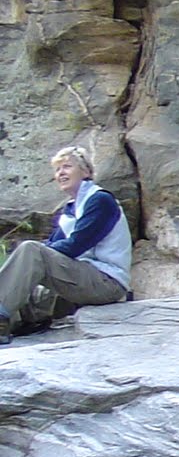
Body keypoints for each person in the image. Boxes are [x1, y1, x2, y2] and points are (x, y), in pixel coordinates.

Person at [0, 145, 132, 345]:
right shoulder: (71, 208)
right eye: (57, 169)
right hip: (85, 278)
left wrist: (39, 256)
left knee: (31, 250)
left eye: (67, 167)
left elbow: (74, 247)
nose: (60, 173)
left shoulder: (100, 200)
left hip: (108, 282)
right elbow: (53, 245)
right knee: (30, 258)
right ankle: (25, 321)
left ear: (86, 172)